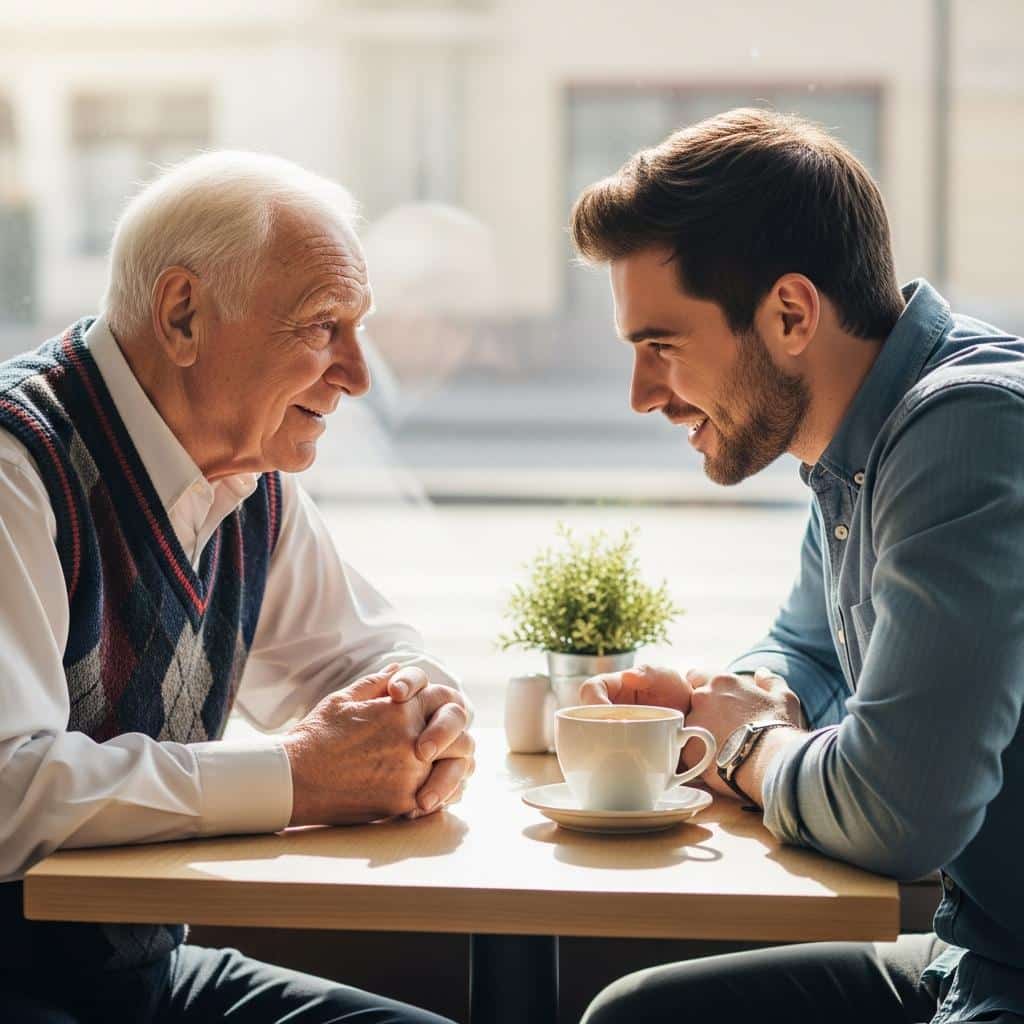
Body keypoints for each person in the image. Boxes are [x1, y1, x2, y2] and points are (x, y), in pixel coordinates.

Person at [569, 108, 1024, 1023]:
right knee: (633, 1016)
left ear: (789, 313)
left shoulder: (965, 433)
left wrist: (741, 747)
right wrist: (727, 697)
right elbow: (808, 652)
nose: (642, 394)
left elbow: (898, 817)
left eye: (661, 346)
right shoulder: (860, 443)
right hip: (975, 954)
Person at [0, 151, 473, 1023]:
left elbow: (369, 657)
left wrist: (424, 717)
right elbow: (8, 791)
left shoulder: (250, 479)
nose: (358, 375)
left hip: (140, 980)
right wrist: (297, 774)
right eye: (323, 325)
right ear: (183, 315)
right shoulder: (15, 469)